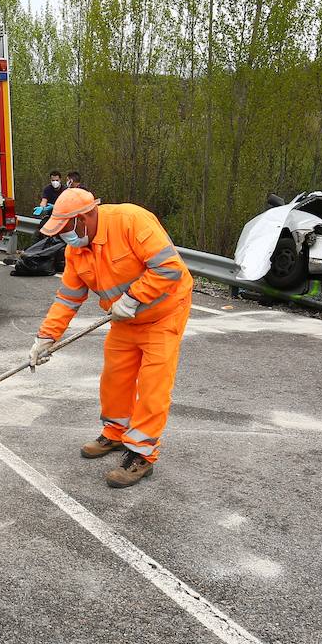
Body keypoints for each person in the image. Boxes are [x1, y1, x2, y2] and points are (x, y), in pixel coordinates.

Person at [30, 188, 192, 489]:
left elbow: (170, 268)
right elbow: (68, 298)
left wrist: (133, 298)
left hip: (164, 314)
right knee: (115, 377)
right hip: (125, 320)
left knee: (153, 384)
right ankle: (115, 432)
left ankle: (142, 454)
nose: (65, 236)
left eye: (67, 228)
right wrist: (46, 337)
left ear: (85, 217)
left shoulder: (131, 220)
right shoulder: (75, 251)